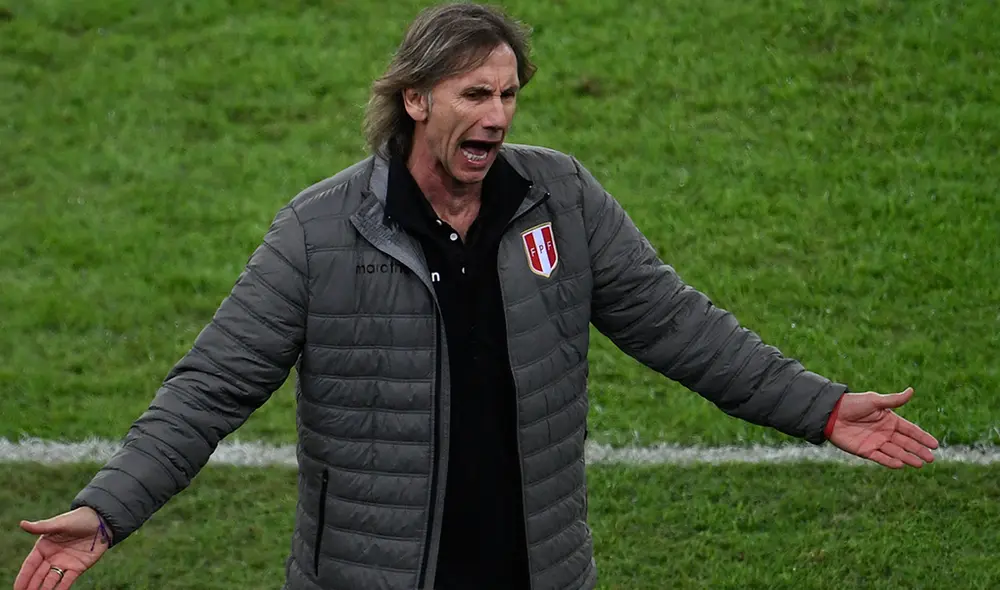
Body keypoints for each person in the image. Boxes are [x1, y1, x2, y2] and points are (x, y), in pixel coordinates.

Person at [15, 3, 940, 590]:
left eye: (508, 94)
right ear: (416, 101)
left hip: (535, 567)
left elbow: (674, 323)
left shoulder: (560, 199)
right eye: (474, 94)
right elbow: (209, 388)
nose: (497, 115)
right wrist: (108, 511)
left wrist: (819, 408)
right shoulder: (319, 233)